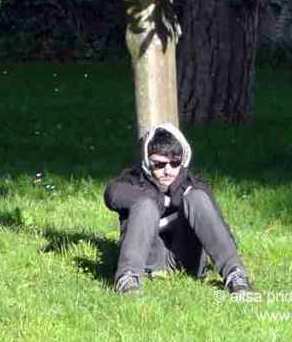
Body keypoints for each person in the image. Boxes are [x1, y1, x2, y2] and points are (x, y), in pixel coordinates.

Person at [104, 121, 252, 296]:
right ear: (146, 162)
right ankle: (127, 277)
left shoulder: (192, 185)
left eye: (174, 164)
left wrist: (180, 199)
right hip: (149, 258)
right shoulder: (133, 180)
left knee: (196, 196)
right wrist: (155, 199)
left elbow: (217, 225)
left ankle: (235, 274)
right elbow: (111, 195)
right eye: (159, 164)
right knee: (145, 204)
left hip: (185, 256)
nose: (168, 171)